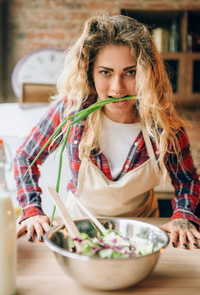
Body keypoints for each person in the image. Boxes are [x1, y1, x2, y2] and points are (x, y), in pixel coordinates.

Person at [15, 13, 200, 249]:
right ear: (90, 73)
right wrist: (31, 210)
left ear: (146, 73)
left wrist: (183, 217)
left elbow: (186, 180)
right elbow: (25, 158)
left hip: (142, 233)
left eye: (130, 72)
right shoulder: (71, 112)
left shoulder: (162, 125)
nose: (117, 87)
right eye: (106, 72)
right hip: (78, 231)